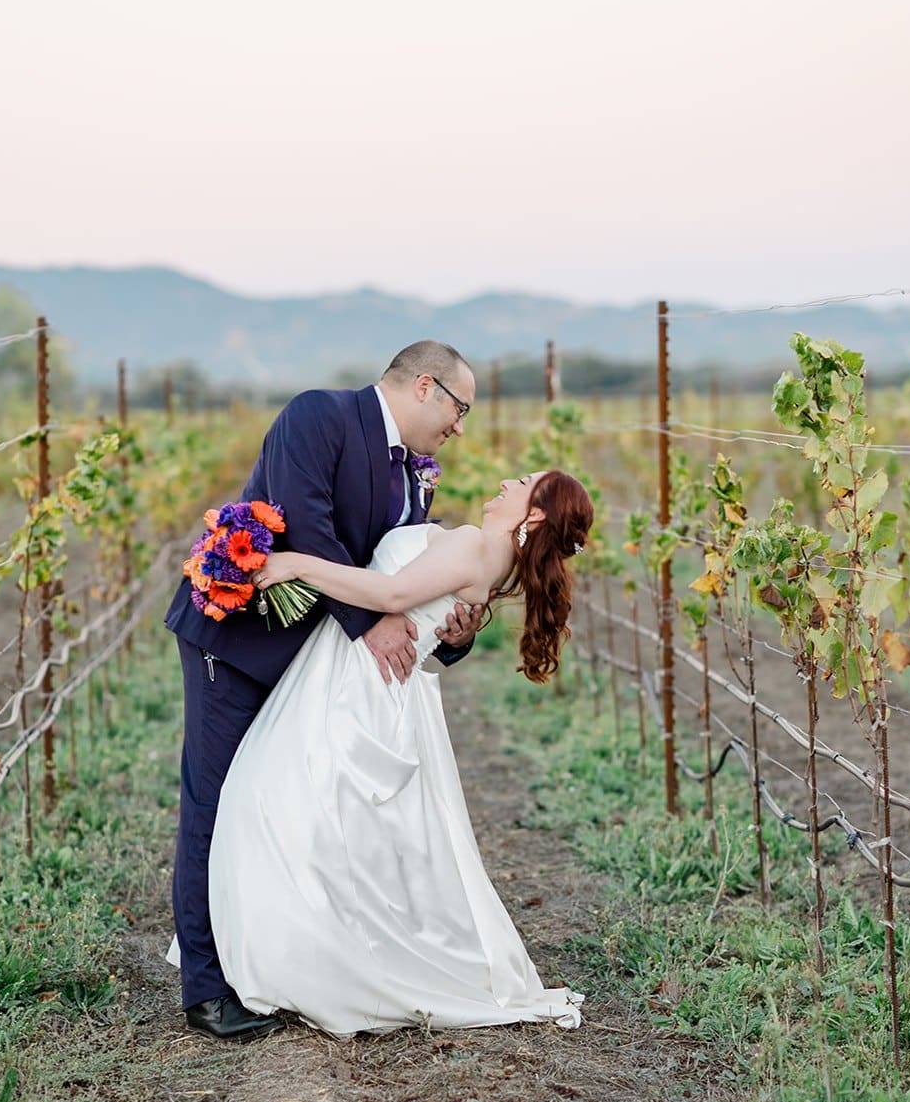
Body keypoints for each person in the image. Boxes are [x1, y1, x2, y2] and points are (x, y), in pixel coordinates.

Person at [164, 341, 485, 1040]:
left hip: (314, 665)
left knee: (281, 811)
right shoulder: (320, 416)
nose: (460, 427)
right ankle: (208, 988)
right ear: (425, 387)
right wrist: (373, 622)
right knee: (216, 803)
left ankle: (275, 963)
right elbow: (306, 524)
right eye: (459, 408)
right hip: (239, 640)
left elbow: (403, 569)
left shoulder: (417, 475)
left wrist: (452, 631)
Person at [206, 467, 594, 1039]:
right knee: (311, 822)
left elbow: (389, 595)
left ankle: (311, 964)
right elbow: (427, 620)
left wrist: (292, 565)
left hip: (353, 685)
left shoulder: (473, 545)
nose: (504, 483)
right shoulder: (492, 563)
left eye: (519, 483)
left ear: (533, 515)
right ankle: (310, 954)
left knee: (273, 806)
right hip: (372, 682)